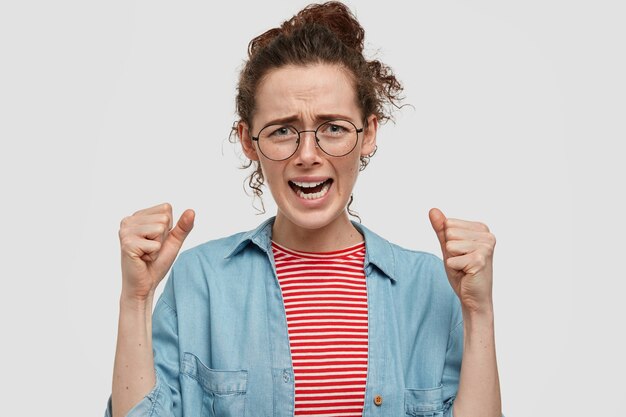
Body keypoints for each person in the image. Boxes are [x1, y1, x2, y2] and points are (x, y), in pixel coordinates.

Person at [105, 2, 502, 416]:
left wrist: (480, 312)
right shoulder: (199, 282)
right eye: (282, 130)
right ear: (247, 140)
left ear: (368, 134)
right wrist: (135, 299)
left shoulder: (432, 287)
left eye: (333, 127)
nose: (308, 155)